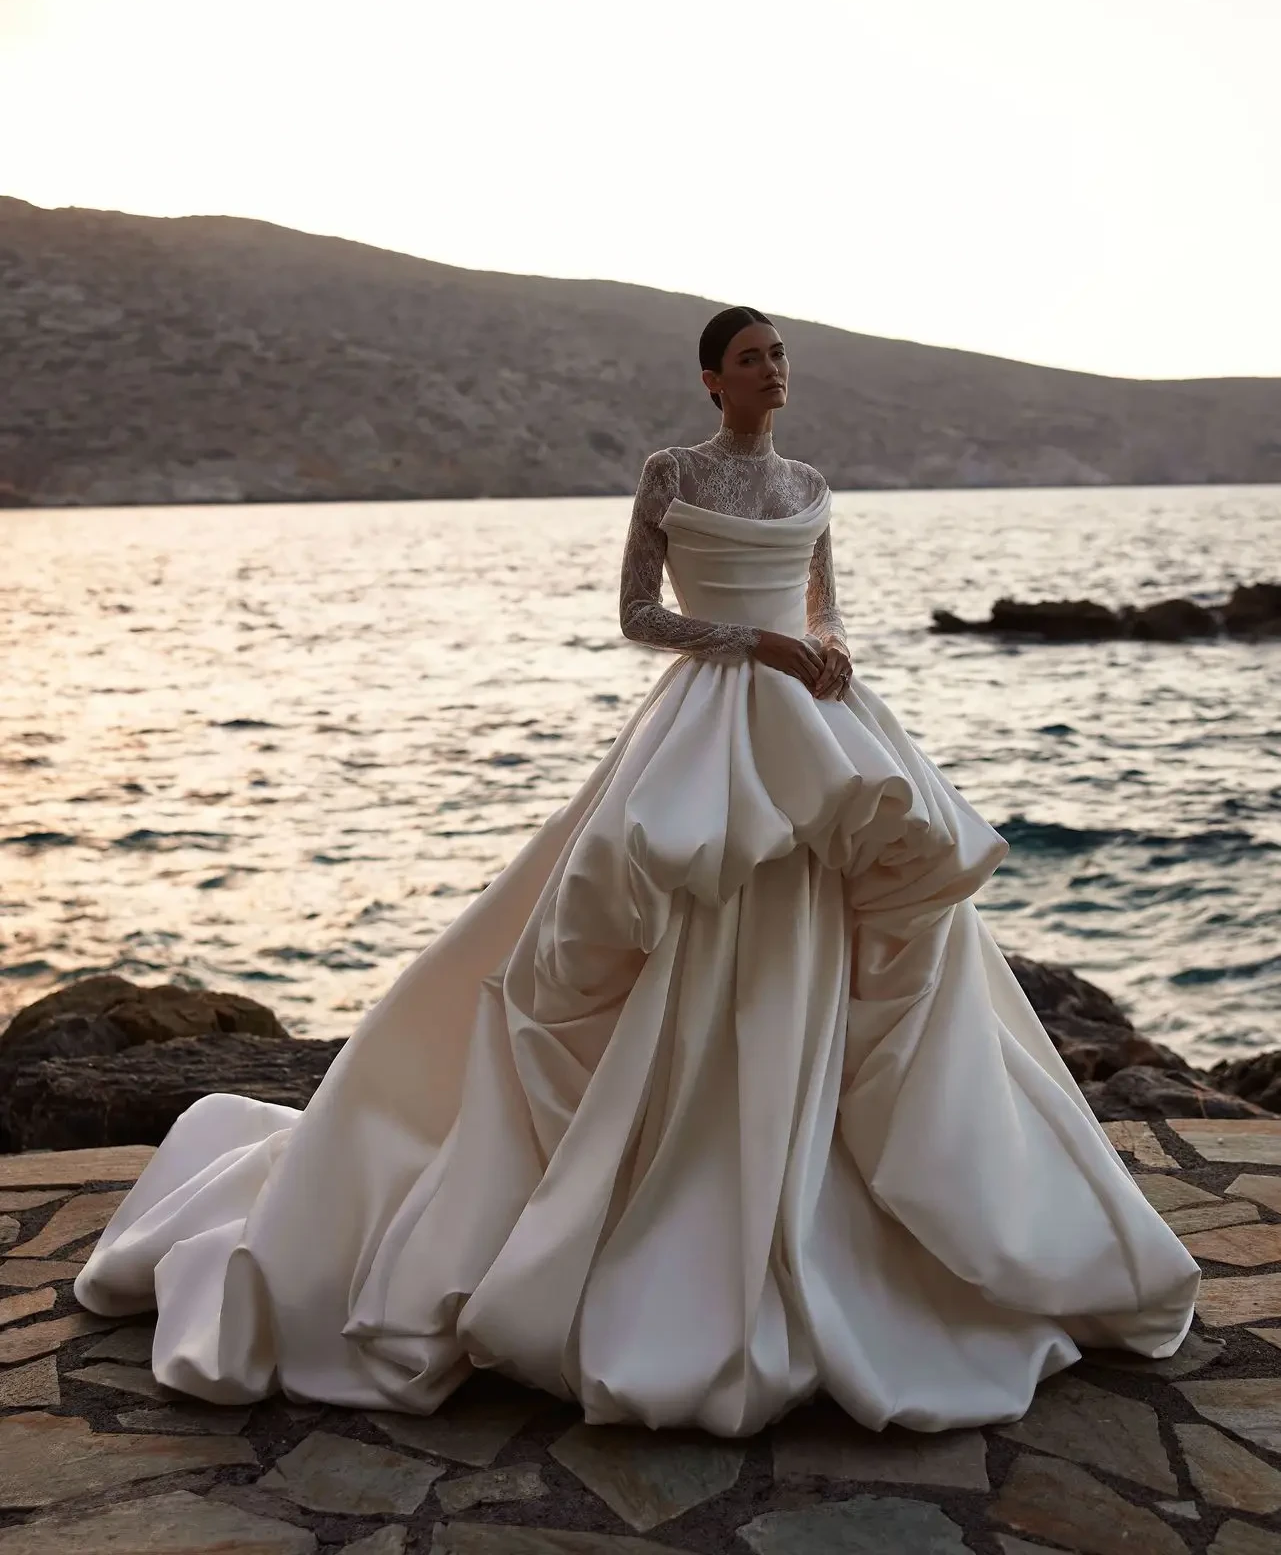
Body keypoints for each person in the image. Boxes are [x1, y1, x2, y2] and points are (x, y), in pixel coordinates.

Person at [75, 304, 1199, 1438]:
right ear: (712, 379)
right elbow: (636, 615)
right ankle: (666, 1187)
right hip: (711, 723)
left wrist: (829, 648)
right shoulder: (673, 473)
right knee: (667, 904)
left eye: (778, 355)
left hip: (818, 721)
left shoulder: (809, 483)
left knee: (845, 925)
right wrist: (755, 644)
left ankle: (837, 1193)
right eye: (751, 358)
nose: (773, 370)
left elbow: (825, 604)